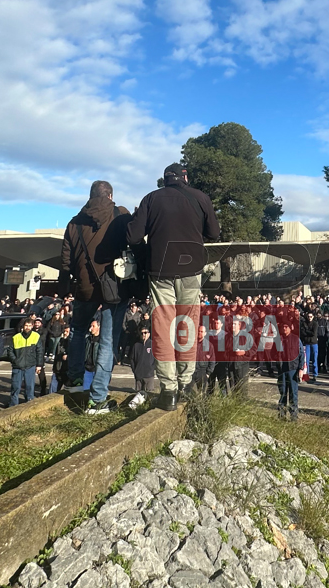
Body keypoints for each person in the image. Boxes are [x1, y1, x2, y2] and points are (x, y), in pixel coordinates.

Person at [126, 165, 220, 410]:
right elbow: (214, 233)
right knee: (187, 325)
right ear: (185, 178)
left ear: (165, 180)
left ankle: (168, 391)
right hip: (191, 270)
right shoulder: (201, 198)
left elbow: (133, 236)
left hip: (160, 271)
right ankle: (186, 383)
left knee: (162, 327)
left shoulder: (151, 198)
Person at [63, 181, 135, 409]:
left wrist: (69, 285)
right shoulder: (120, 214)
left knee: (77, 330)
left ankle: (74, 380)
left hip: (84, 287)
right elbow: (132, 244)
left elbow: (66, 261)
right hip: (114, 287)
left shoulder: (74, 223)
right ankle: (98, 396)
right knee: (107, 341)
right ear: (110, 195)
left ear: (90, 195)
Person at [8, 318, 44, 408]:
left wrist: (39, 365)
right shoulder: (16, 337)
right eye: (26, 325)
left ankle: (29, 406)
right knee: (15, 387)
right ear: (23, 326)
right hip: (18, 366)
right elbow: (10, 351)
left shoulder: (36, 336)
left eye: (29, 325)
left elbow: (40, 351)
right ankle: (13, 406)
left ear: (32, 326)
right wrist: (15, 360)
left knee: (29, 387)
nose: (27, 327)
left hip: (30, 366)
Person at [274, 323, 303, 422]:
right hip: (282, 370)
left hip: (293, 370)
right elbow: (273, 353)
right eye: (283, 327)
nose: (284, 328)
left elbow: (301, 355)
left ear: (291, 328)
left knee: (293, 394)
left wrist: (301, 368)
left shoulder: (296, 339)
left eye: (286, 327)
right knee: (282, 393)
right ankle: (281, 415)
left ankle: (293, 416)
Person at [130, 326, 155, 399]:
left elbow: (157, 359)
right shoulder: (136, 345)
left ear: (149, 334)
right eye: (142, 333)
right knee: (138, 397)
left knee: (149, 396)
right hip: (139, 375)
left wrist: (152, 368)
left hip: (149, 375)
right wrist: (135, 370)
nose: (143, 334)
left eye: (145, 332)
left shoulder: (153, 345)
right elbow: (132, 359)